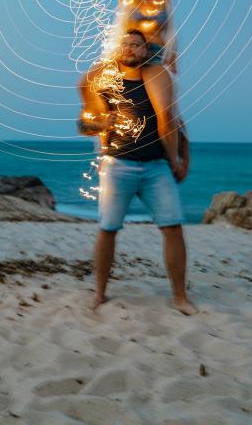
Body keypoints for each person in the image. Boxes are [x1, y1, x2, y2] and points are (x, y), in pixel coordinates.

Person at [78, 29, 196, 315]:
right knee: (107, 230)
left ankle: (180, 298)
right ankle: (100, 293)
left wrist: (181, 160)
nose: (130, 48)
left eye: (136, 45)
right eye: (126, 44)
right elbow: (83, 126)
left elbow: (175, 123)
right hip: (118, 166)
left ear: (145, 51)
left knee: (173, 228)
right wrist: (105, 121)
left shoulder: (156, 80)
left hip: (156, 168)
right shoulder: (107, 85)